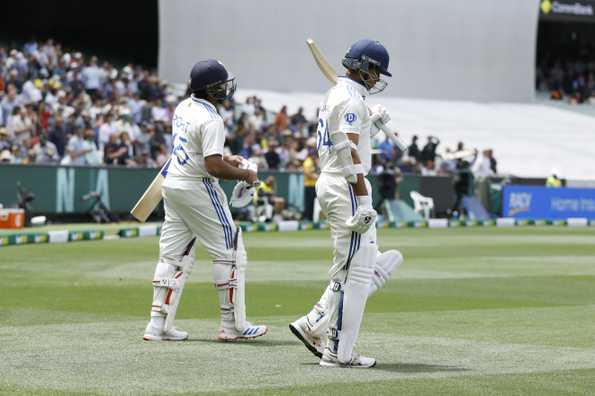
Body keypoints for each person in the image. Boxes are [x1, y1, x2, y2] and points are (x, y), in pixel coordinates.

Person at [289, 39, 403, 368]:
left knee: (357, 265)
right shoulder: (351, 100)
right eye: (376, 71)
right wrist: (364, 199)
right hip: (346, 184)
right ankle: (338, 351)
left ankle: (316, 323)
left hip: (335, 181)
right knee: (355, 271)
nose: (378, 77)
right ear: (365, 68)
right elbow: (348, 151)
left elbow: (350, 140)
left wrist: (371, 124)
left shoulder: (340, 95)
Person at [143, 59, 267, 342]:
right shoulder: (212, 119)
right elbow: (212, 167)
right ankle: (232, 326)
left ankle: (157, 325)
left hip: (173, 184)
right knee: (231, 252)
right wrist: (245, 174)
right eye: (221, 85)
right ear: (211, 89)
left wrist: (226, 159)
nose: (225, 89)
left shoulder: (183, 107)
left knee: (172, 257)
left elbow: (200, 152)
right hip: (198, 187)